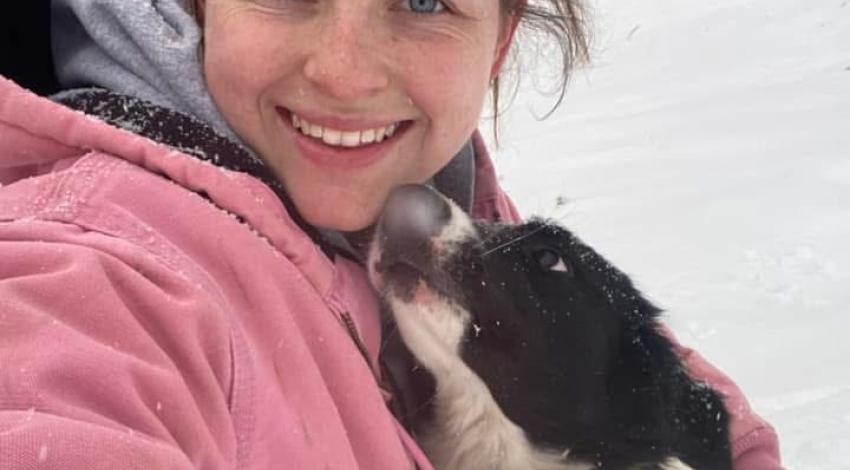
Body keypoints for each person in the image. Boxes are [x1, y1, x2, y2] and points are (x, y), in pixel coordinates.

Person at [0, 0, 782, 468]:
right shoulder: (98, 275)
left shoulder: (427, 194)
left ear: (498, 40)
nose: (345, 74)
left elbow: (702, 418)